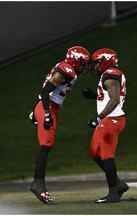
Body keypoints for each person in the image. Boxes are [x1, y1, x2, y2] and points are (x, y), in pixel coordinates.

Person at [29, 46, 90, 204]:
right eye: (82, 63)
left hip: (48, 106)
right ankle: (38, 183)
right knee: (46, 144)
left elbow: (46, 91)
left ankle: (38, 182)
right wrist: (46, 113)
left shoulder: (69, 70)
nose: (84, 67)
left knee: (47, 144)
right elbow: (45, 91)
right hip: (47, 106)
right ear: (75, 61)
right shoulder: (65, 70)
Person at [82, 48, 128, 203]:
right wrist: (94, 96)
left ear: (105, 61)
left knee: (106, 156)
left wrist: (99, 117)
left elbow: (114, 99)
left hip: (111, 119)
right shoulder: (108, 74)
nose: (94, 67)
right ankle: (118, 184)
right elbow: (109, 96)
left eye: (96, 63)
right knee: (94, 152)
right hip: (108, 119)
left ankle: (113, 192)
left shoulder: (110, 75)